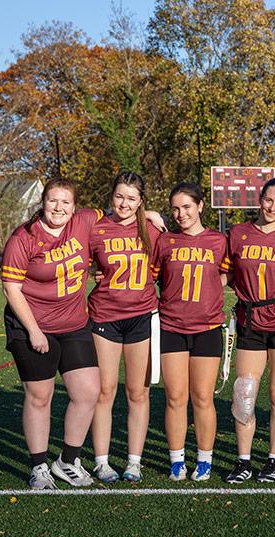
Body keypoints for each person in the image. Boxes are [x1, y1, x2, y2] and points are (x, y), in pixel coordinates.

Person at [1, 178, 103, 489]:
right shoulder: (24, 237)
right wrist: (34, 331)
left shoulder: (84, 221)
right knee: (40, 397)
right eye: (53, 201)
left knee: (87, 393)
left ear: (75, 207)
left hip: (73, 324)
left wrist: (149, 214)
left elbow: (118, 211)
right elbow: (11, 288)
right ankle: (39, 467)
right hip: (32, 326)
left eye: (65, 202)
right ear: (43, 202)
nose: (58, 207)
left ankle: (68, 461)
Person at [220, 178, 275, 484]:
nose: (273, 207)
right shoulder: (238, 234)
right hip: (250, 320)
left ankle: (273, 460)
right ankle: (243, 460)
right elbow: (224, 275)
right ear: (260, 199)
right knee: (244, 393)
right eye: (269, 200)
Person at [151, 183, 227, 482]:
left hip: (207, 327)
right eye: (175, 208)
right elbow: (153, 277)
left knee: (203, 398)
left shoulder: (219, 240)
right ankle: (176, 459)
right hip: (172, 326)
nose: (181, 214)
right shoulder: (165, 241)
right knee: (175, 397)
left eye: (186, 207)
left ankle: (205, 459)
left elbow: (229, 274)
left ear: (200, 207)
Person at [87, 172, 160, 483]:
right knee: (104, 390)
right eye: (120, 196)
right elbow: (86, 263)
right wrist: (94, 272)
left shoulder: (152, 230)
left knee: (138, 392)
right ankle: (101, 462)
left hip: (141, 315)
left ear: (140, 201)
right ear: (111, 196)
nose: (125, 203)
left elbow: (163, 265)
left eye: (132, 198)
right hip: (104, 315)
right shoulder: (96, 228)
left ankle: (134, 461)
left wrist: (156, 216)